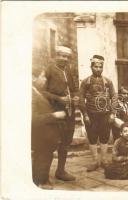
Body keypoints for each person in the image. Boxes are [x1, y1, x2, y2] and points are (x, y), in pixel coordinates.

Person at [41, 46, 79, 181]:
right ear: (56, 55)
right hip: (53, 111)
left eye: (67, 57)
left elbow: (74, 89)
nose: (64, 59)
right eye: (62, 56)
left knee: (66, 141)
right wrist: (58, 99)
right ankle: (42, 175)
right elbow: (41, 92)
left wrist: (75, 97)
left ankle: (61, 171)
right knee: (51, 142)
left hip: (69, 112)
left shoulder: (68, 70)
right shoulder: (49, 70)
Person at [79, 55, 115, 172]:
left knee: (105, 137)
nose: (98, 69)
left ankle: (104, 160)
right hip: (91, 114)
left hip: (105, 114)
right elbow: (81, 98)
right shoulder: (86, 82)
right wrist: (85, 114)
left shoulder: (108, 82)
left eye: (100, 67)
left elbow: (114, 97)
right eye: (96, 66)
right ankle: (95, 161)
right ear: (91, 67)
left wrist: (113, 113)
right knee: (92, 137)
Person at [31, 68, 66, 189]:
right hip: (40, 136)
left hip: (45, 137)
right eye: (43, 76)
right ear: (33, 78)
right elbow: (32, 119)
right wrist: (54, 115)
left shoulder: (37, 92)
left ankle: (43, 178)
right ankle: (40, 182)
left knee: (45, 156)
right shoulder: (31, 94)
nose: (45, 79)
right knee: (41, 157)